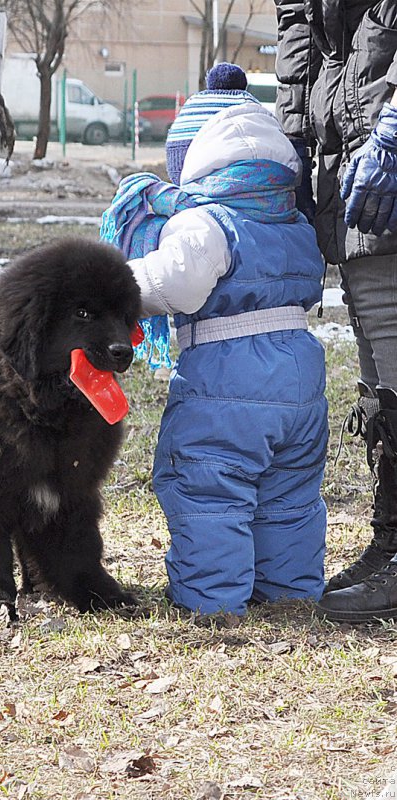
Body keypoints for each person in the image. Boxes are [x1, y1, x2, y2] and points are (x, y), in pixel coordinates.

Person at [100, 63, 328, 617]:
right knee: (289, 495)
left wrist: (117, 285)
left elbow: (177, 282)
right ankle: (291, 593)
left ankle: (214, 601)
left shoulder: (206, 222)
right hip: (301, 374)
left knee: (208, 487)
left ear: (191, 163)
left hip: (229, 371)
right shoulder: (293, 220)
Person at [273, 0, 397, 622]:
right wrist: (293, 142)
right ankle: (391, 540)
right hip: (346, 145)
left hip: (382, 133)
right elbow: (300, 38)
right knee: (375, 346)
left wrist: (396, 127)